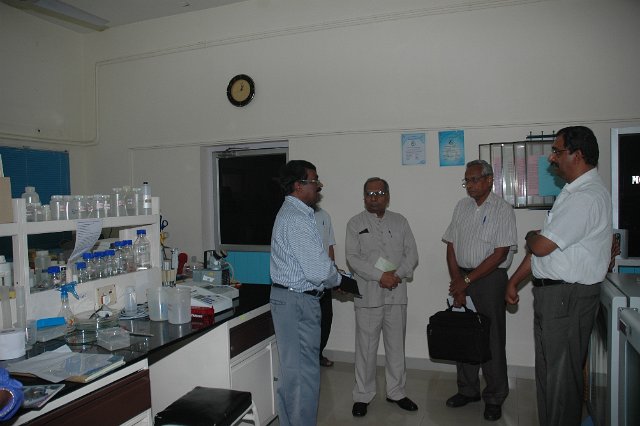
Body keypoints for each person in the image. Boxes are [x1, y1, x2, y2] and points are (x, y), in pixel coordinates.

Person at [505, 126, 612, 426]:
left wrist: (530, 236)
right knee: (550, 376)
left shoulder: (586, 197)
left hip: (568, 297)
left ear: (577, 155)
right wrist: (514, 281)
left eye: (556, 151)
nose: (551, 158)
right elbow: (544, 250)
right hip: (554, 296)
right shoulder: (571, 193)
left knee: (562, 382)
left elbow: (540, 245)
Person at [442, 159, 517, 422]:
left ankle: (494, 397)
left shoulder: (502, 209)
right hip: (462, 276)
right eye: (467, 180)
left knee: (491, 338)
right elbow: (451, 246)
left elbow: (500, 254)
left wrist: (467, 281)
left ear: (489, 180)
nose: (470, 185)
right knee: (464, 335)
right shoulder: (461, 207)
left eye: (474, 180)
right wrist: (458, 282)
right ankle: (468, 390)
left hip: (489, 279)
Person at [270, 160, 342, 426]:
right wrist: (339, 278)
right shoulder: (297, 219)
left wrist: (332, 274)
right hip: (297, 302)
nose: (319, 186)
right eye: (314, 181)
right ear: (298, 185)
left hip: (293, 300)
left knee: (294, 375)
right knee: (302, 377)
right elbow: (318, 271)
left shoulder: (296, 213)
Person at [346, 177, 419, 417]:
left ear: (387, 196)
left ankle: (396, 391)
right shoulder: (355, 223)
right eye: (369, 194)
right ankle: (363, 395)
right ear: (364, 197)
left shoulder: (400, 221)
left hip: (396, 293)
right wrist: (380, 276)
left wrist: (395, 275)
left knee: (396, 346)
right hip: (368, 295)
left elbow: (412, 254)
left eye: (378, 193)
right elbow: (353, 258)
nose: (374, 198)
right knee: (366, 349)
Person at [314, 203, 336, 367]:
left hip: (325, 278)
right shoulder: (298, 216)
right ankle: (309, 357)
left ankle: (318, 354)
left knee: (326, 318)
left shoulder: (324, 215)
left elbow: (329, 246)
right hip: (307, 281)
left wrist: (333, 272)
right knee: (310, 321)